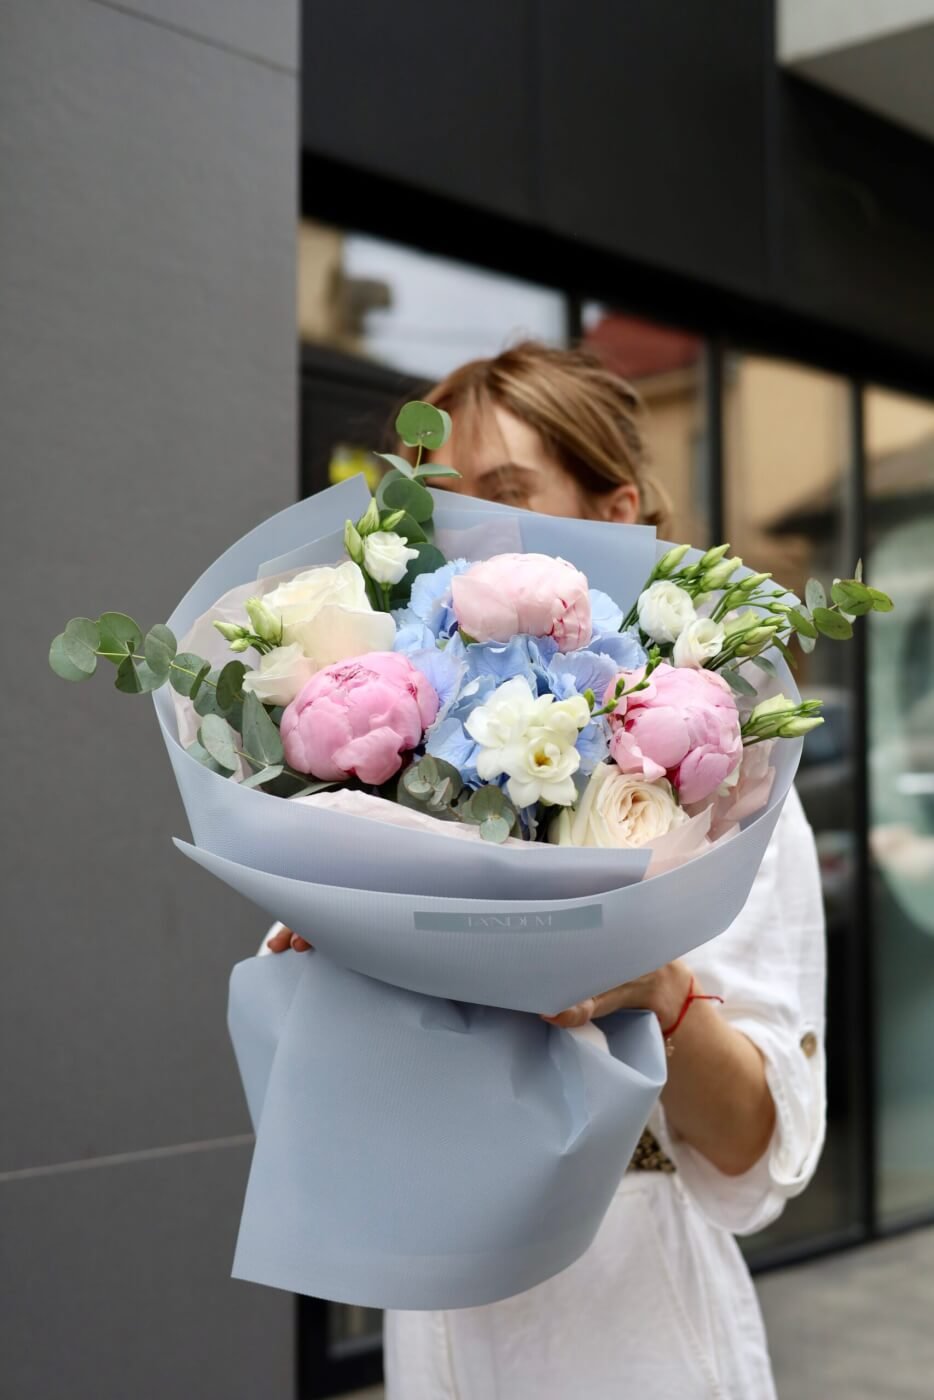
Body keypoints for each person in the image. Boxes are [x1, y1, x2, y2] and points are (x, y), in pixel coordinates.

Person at [264, 342, 827, 1399]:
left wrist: (660, 988)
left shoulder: (724, 783)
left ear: (615, 513)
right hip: (440, 1311)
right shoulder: (381, 759)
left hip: (632, 1320)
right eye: (435, 494)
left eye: (508, 490)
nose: (460, 524)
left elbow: (756, 1157)